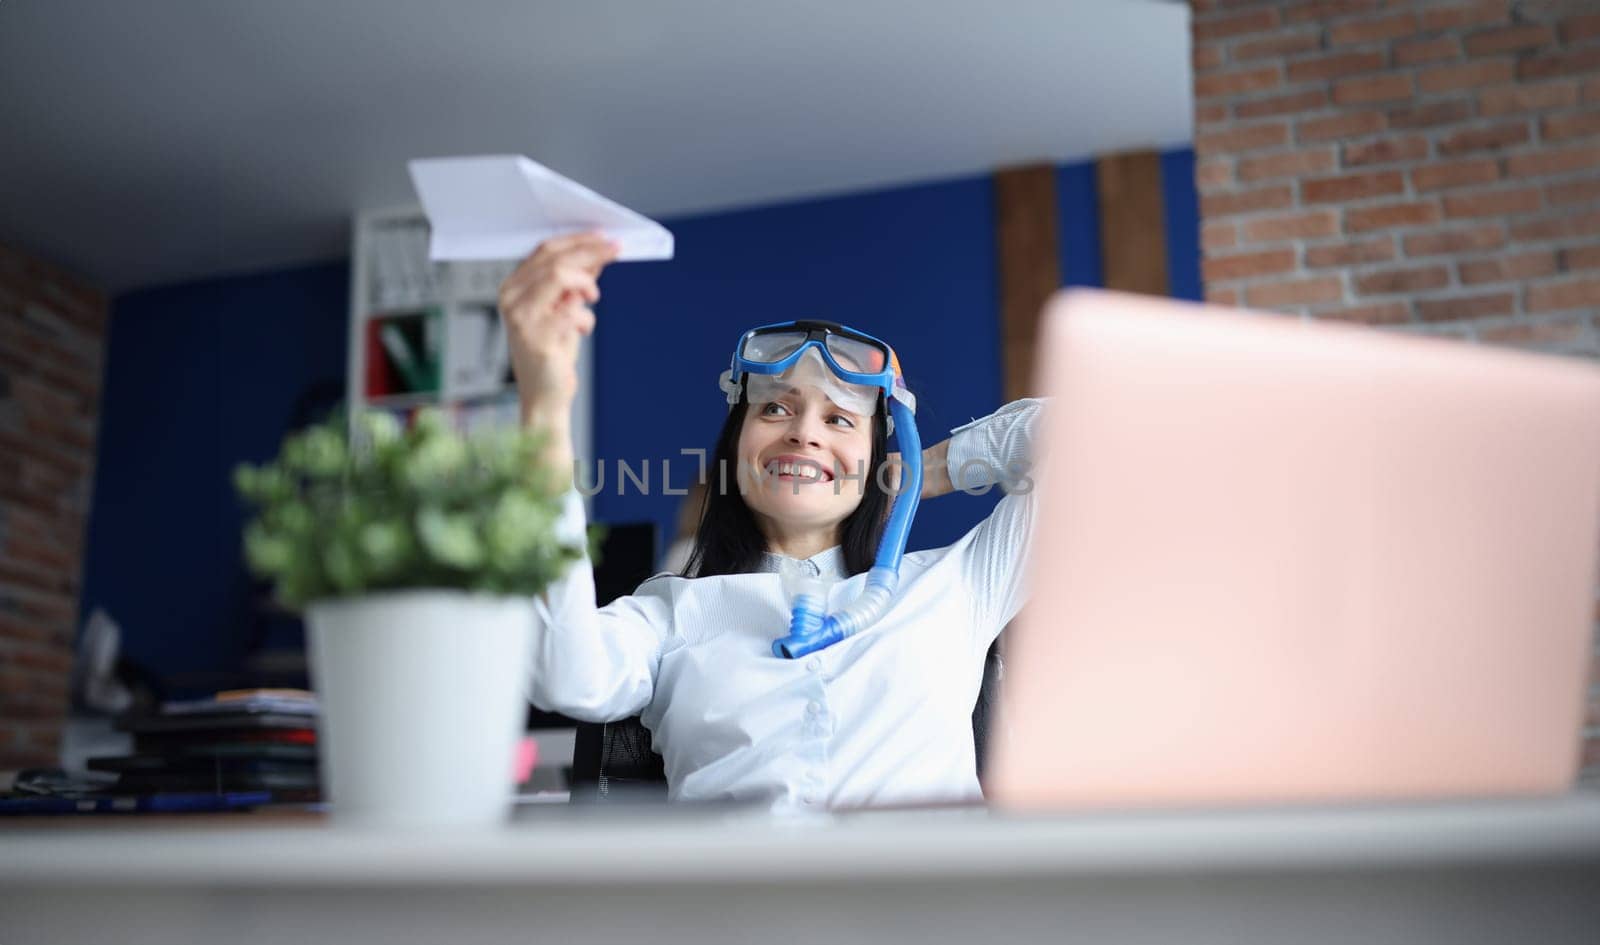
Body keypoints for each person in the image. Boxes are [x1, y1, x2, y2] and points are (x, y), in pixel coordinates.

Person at [501, 232, 1043, 812]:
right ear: (736, 447)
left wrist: (922, 471)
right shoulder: (669, 613)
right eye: (775, 408)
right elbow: (567, 676)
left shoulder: (955, 585)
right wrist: (545, 410)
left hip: (934, 902)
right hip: (739, 902)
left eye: (839, 419)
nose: (803, 431)